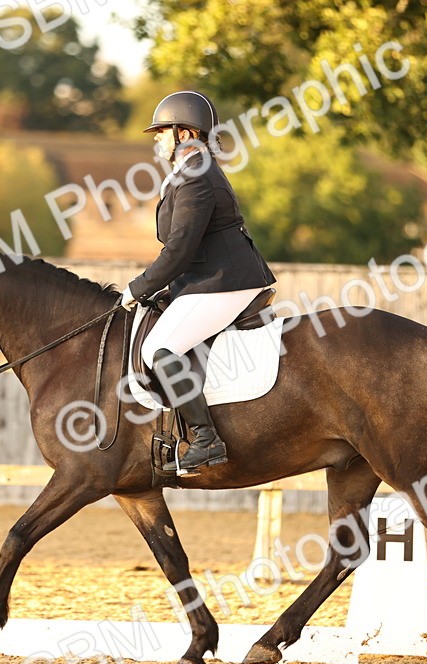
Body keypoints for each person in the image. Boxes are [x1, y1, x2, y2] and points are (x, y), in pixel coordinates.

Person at [120, 90, 276, 472]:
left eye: (163, 131)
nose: (157, 139)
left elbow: (180, 249)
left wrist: (138, 287)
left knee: (160, 348)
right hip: (209, 277)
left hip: (227, 281)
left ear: (186, 133)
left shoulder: (196, 175)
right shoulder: (189, 171)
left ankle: (206, 439)